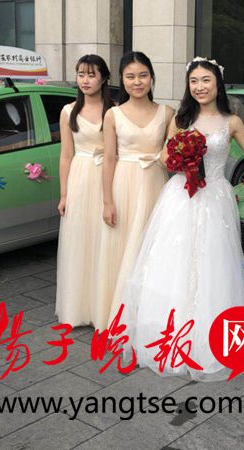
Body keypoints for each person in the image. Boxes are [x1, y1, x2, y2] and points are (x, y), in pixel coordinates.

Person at [122, 57, 244, 381]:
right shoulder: (181, 118)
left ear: (217, 84)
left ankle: (208, 338)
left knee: (214, 267)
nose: (199, 87)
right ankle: (171, 337)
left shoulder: (232, 121)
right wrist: (181, 155)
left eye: (206, 80)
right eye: (194, 81)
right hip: (181, 197)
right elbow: (164, 157)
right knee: (174, 265)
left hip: (215, 197)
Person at [95, 51, 174, 330]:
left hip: (155, 184)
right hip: (123, 184)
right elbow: (109, 159)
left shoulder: (167, 113)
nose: (137, 82)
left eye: (143, 75)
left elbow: (171, 155)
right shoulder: (113, 114)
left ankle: (147, 316)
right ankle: (118, 315)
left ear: (151, 78)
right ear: (122, 79)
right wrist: (107, 201)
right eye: (130, 76)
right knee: (121, 248)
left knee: (152, 248)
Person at [55, 54, 114, 328]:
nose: (85, 80)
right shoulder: (68, 111)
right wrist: (64, 194)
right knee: (79, 240)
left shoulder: (114, 110)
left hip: (107, 177)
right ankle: (78, 307)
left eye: (91, 74)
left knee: (104, 240)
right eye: (81, 74)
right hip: (80, 177)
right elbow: (66, 155)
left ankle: (101, 306)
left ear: (104, 78)